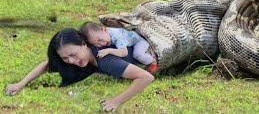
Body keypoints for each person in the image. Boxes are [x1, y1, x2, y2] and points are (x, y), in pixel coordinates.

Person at [6, 28, 154, 112]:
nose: (71, 61)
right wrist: (20, 84)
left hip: (146, 47)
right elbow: (47, 64)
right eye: (65, 58)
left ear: (84, 44)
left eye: (73, 55)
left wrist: (116, 101)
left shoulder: (105, 60)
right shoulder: (82, 57)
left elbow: (146, 77)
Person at [79, 22, 159, 73]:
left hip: (139, 41)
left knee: (137, 54)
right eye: (97, 44)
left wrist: (109, 50)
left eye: (100, 40)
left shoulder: (116, 36)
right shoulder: (106, 34)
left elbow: (124, 52)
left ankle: (153, 61)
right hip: (131, 39)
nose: (102, 44)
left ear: (104, 29)